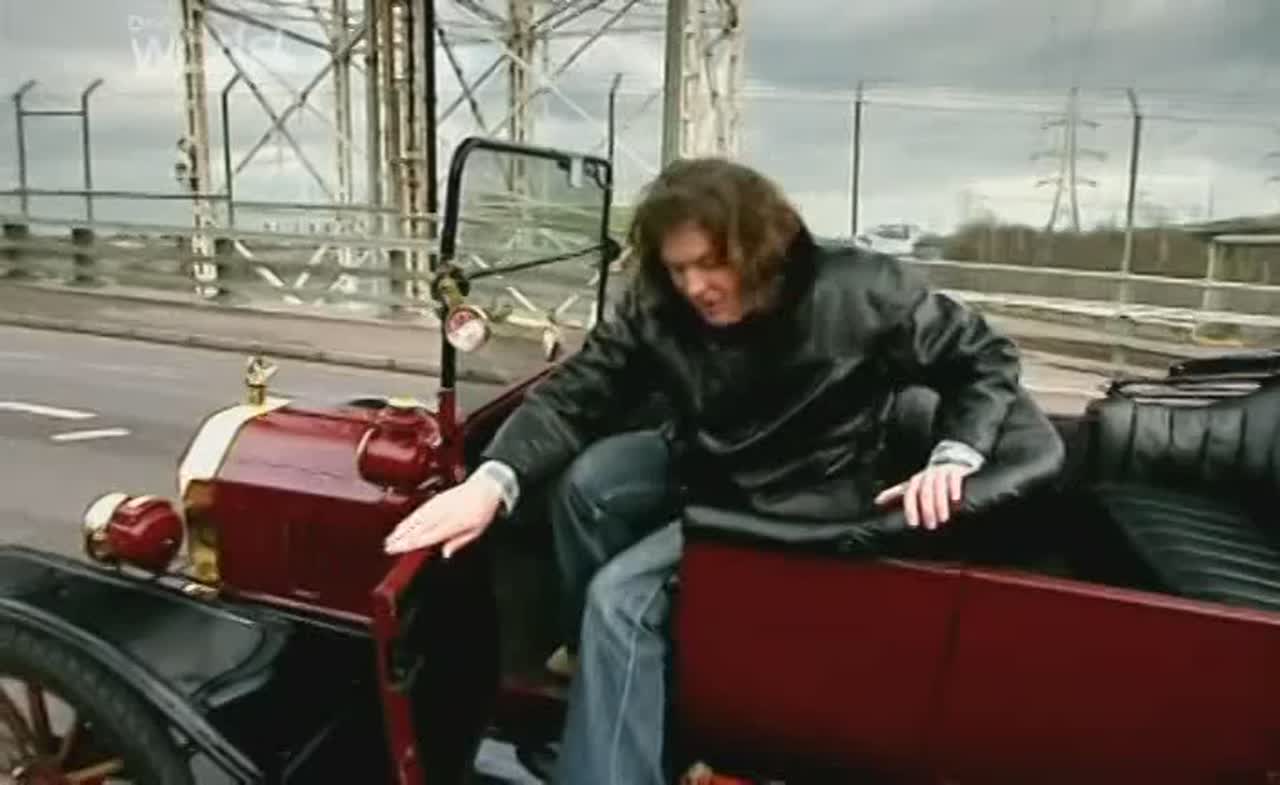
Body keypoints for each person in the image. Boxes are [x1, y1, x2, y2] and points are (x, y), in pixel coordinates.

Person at [384, 157, 1023, 784]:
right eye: (678, 268)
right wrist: (490, 482)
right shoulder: (661, 307)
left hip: (800, 491)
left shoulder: (860, 289)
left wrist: (955, 454)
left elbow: (983, 357)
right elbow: (582, 387)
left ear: (761, 246)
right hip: (710, 457)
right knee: (591, 486)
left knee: (619, 601)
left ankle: (619, 727)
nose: (694, 287)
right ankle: (603, 665)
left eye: (712, 263)